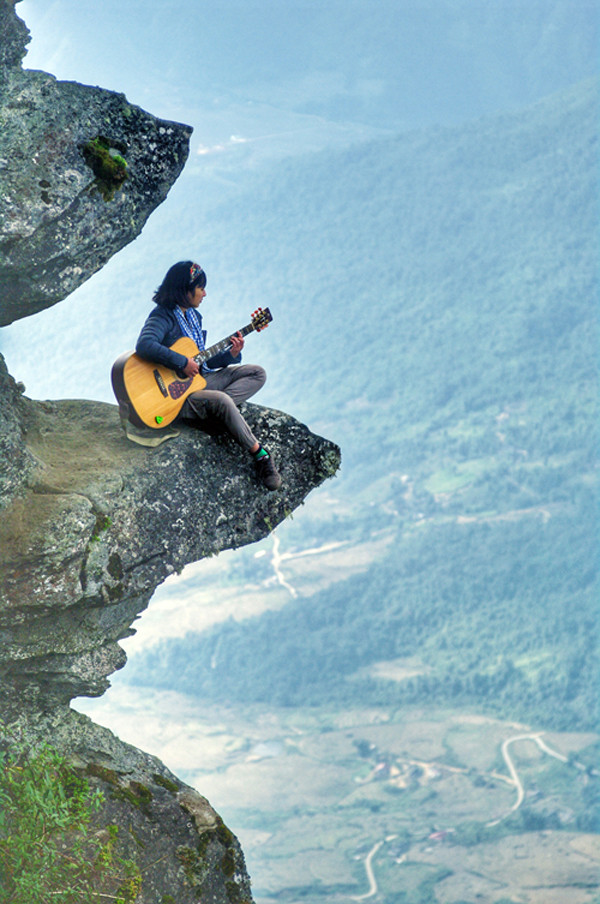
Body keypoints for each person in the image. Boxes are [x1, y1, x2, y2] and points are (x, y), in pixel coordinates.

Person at [135, 260, 281, 491]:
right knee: (222, 400)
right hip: (175, 397)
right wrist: (181, 362)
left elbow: (200, 362)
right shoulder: (163, 316)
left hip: (198, 384)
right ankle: (261, 455)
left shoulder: (194, 317)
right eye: (200, 288)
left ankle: (217, 415)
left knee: (256, 373)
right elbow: (145, 344)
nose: (205, 293)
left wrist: (231, 354)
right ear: (185, 289)